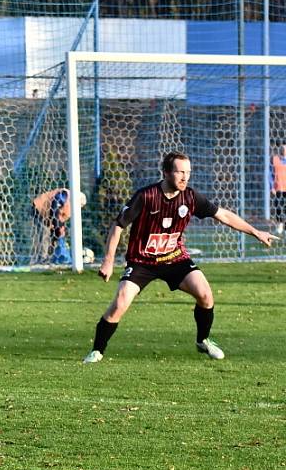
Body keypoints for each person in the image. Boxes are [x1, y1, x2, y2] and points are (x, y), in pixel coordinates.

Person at [82, 151, 277, 364]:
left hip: (175, 258)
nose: (185, 177)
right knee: (120, 303)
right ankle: (97, 351)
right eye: (180, 172)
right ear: (166, 173)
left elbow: (224, 215)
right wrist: (108, 261)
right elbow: (118, 226)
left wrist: (256, 232)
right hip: (142, 262)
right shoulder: (146, 196)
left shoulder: (191, 197)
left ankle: (203, 341)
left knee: (205, 294)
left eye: (188, 172)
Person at [31, 188, 86, 264]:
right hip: (39, 209)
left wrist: (60, 229)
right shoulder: (65, 195)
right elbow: (54, 208)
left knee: (54, 236)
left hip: (49, 216)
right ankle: (42, 259)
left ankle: (50, 257)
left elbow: (61, 217)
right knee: (44, 233)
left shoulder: (71, 207)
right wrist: (57, 227)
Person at [270, 144, 286, 234]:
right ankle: (280, 224)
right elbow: (270, 174)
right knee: (279, 207)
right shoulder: (275, 159)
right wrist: (271, 186)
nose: (284, 150)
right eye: (282, 148)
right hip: (278, 188)